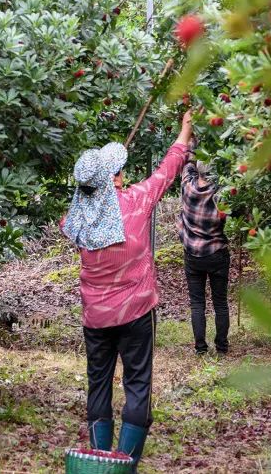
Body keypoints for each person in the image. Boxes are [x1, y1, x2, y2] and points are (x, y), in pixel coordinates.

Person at [61, 110, 193, 470]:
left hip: (96, 318)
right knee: (138, 385)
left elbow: (84, 204)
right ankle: (124, 465)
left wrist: (99, 184)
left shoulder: (75, 219)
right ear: (114, 180)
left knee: (98, 385)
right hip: (136, 313)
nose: (123, 176)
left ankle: (101, 462)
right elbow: (166, 172)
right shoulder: (135, 203)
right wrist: (184, 133)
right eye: (118, 172)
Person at [177, 153, 230, 355]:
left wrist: (194, 138)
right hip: (217, 253)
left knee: (197, 303)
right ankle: (222, 347)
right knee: (220, 303)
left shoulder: (188, 187)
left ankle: (200, 348)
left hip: (193, 254)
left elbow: (187, 164)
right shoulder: (221, 194)